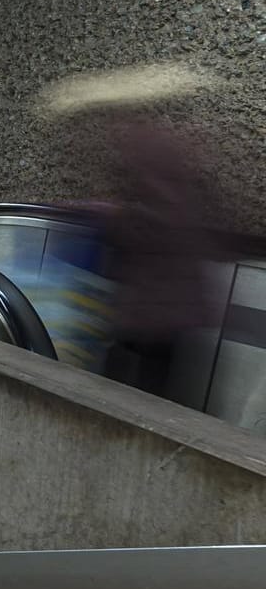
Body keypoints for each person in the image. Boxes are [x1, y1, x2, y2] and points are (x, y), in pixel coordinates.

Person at [38, 63, 227, 402]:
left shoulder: (145, 147)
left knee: (133, 401)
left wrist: (107, 218)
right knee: (150, 396)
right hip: (170, 306)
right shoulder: (170, 147)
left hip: (155, 308)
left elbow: (158, 223)